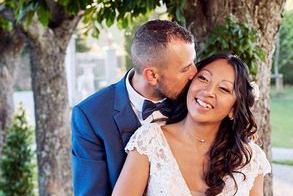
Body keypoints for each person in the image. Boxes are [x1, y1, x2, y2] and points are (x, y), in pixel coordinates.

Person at [112, 53, 270, 196]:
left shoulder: (251, 160)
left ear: (234, 110)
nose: (208, 91)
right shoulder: (149, 140)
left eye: (223, 88)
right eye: (203, 78)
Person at [71, 19, 197, 196]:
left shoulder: (195, 102)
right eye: (185, 69)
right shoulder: (90, 116)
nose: (195, 73)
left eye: (193, 62)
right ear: (151, 75)